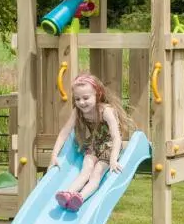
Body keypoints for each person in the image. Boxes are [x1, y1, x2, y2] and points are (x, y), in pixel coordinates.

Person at [49, 73, 130, 211]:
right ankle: (68, 194)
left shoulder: (106, 111)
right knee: (85, 170)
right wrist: (54, 155)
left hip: (110, 147)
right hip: (94, 144)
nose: (82, 102)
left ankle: (80, 197)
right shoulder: (78, 112)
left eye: (86, 98)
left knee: (96, 173)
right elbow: (64, 133)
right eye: (77, 99)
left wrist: (113, 160)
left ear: (97, 95)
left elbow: (116, 137)